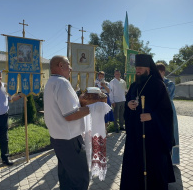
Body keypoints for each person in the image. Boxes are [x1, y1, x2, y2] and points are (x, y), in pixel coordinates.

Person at [44, 55, 110, 190]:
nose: (71, 68)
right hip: (70, 140)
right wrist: (93, 107)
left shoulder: (51, 82)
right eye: (68, 64)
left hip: (58, 138)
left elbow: (67, 108)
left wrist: (80, 101)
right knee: (81, 179)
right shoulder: (62, 83)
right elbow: (70, 115)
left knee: (67, 178)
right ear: (60, 66)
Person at [120, 54, 175, 190]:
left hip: (154, 138)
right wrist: (129, 105)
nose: (137, 70)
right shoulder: (133, 86)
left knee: (153, 171)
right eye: (136, 68)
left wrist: (152, 116)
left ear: (148, 69)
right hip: (135, 137)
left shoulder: (158, 86)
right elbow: (128, 102)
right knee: (134, 170)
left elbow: (167, 112)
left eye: (140, 68)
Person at [156, 63, 180, 165]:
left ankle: (173, 160)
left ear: (163, 72)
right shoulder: (155, 83)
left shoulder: (170, 83)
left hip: (169, 111)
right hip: (158, 112)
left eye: (158, 73)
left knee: (172, 135)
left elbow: (165, 97)